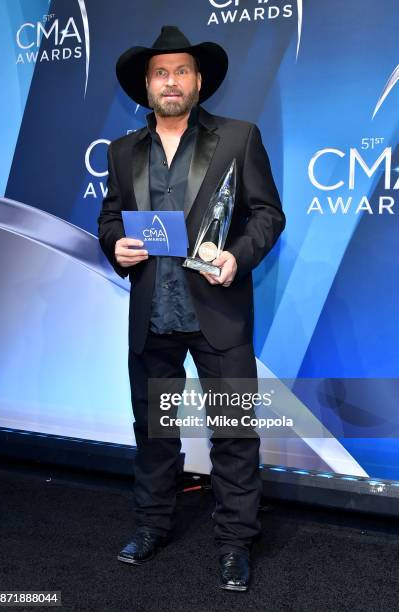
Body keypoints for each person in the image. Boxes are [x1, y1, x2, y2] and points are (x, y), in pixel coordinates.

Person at [97, 25, 285, 592]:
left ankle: (235, 543)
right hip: (153, 315)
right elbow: (109, 220)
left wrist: (236, 257)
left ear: (198, 81)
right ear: (146, 85)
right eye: (160, 73)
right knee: (155, 434)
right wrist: (116, 246)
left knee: (232, 433)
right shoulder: (123, 151)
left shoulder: (238, 137)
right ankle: (152, 525)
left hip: (218, 314)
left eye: (181, 71)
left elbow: (267, 215)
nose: (171, 81)